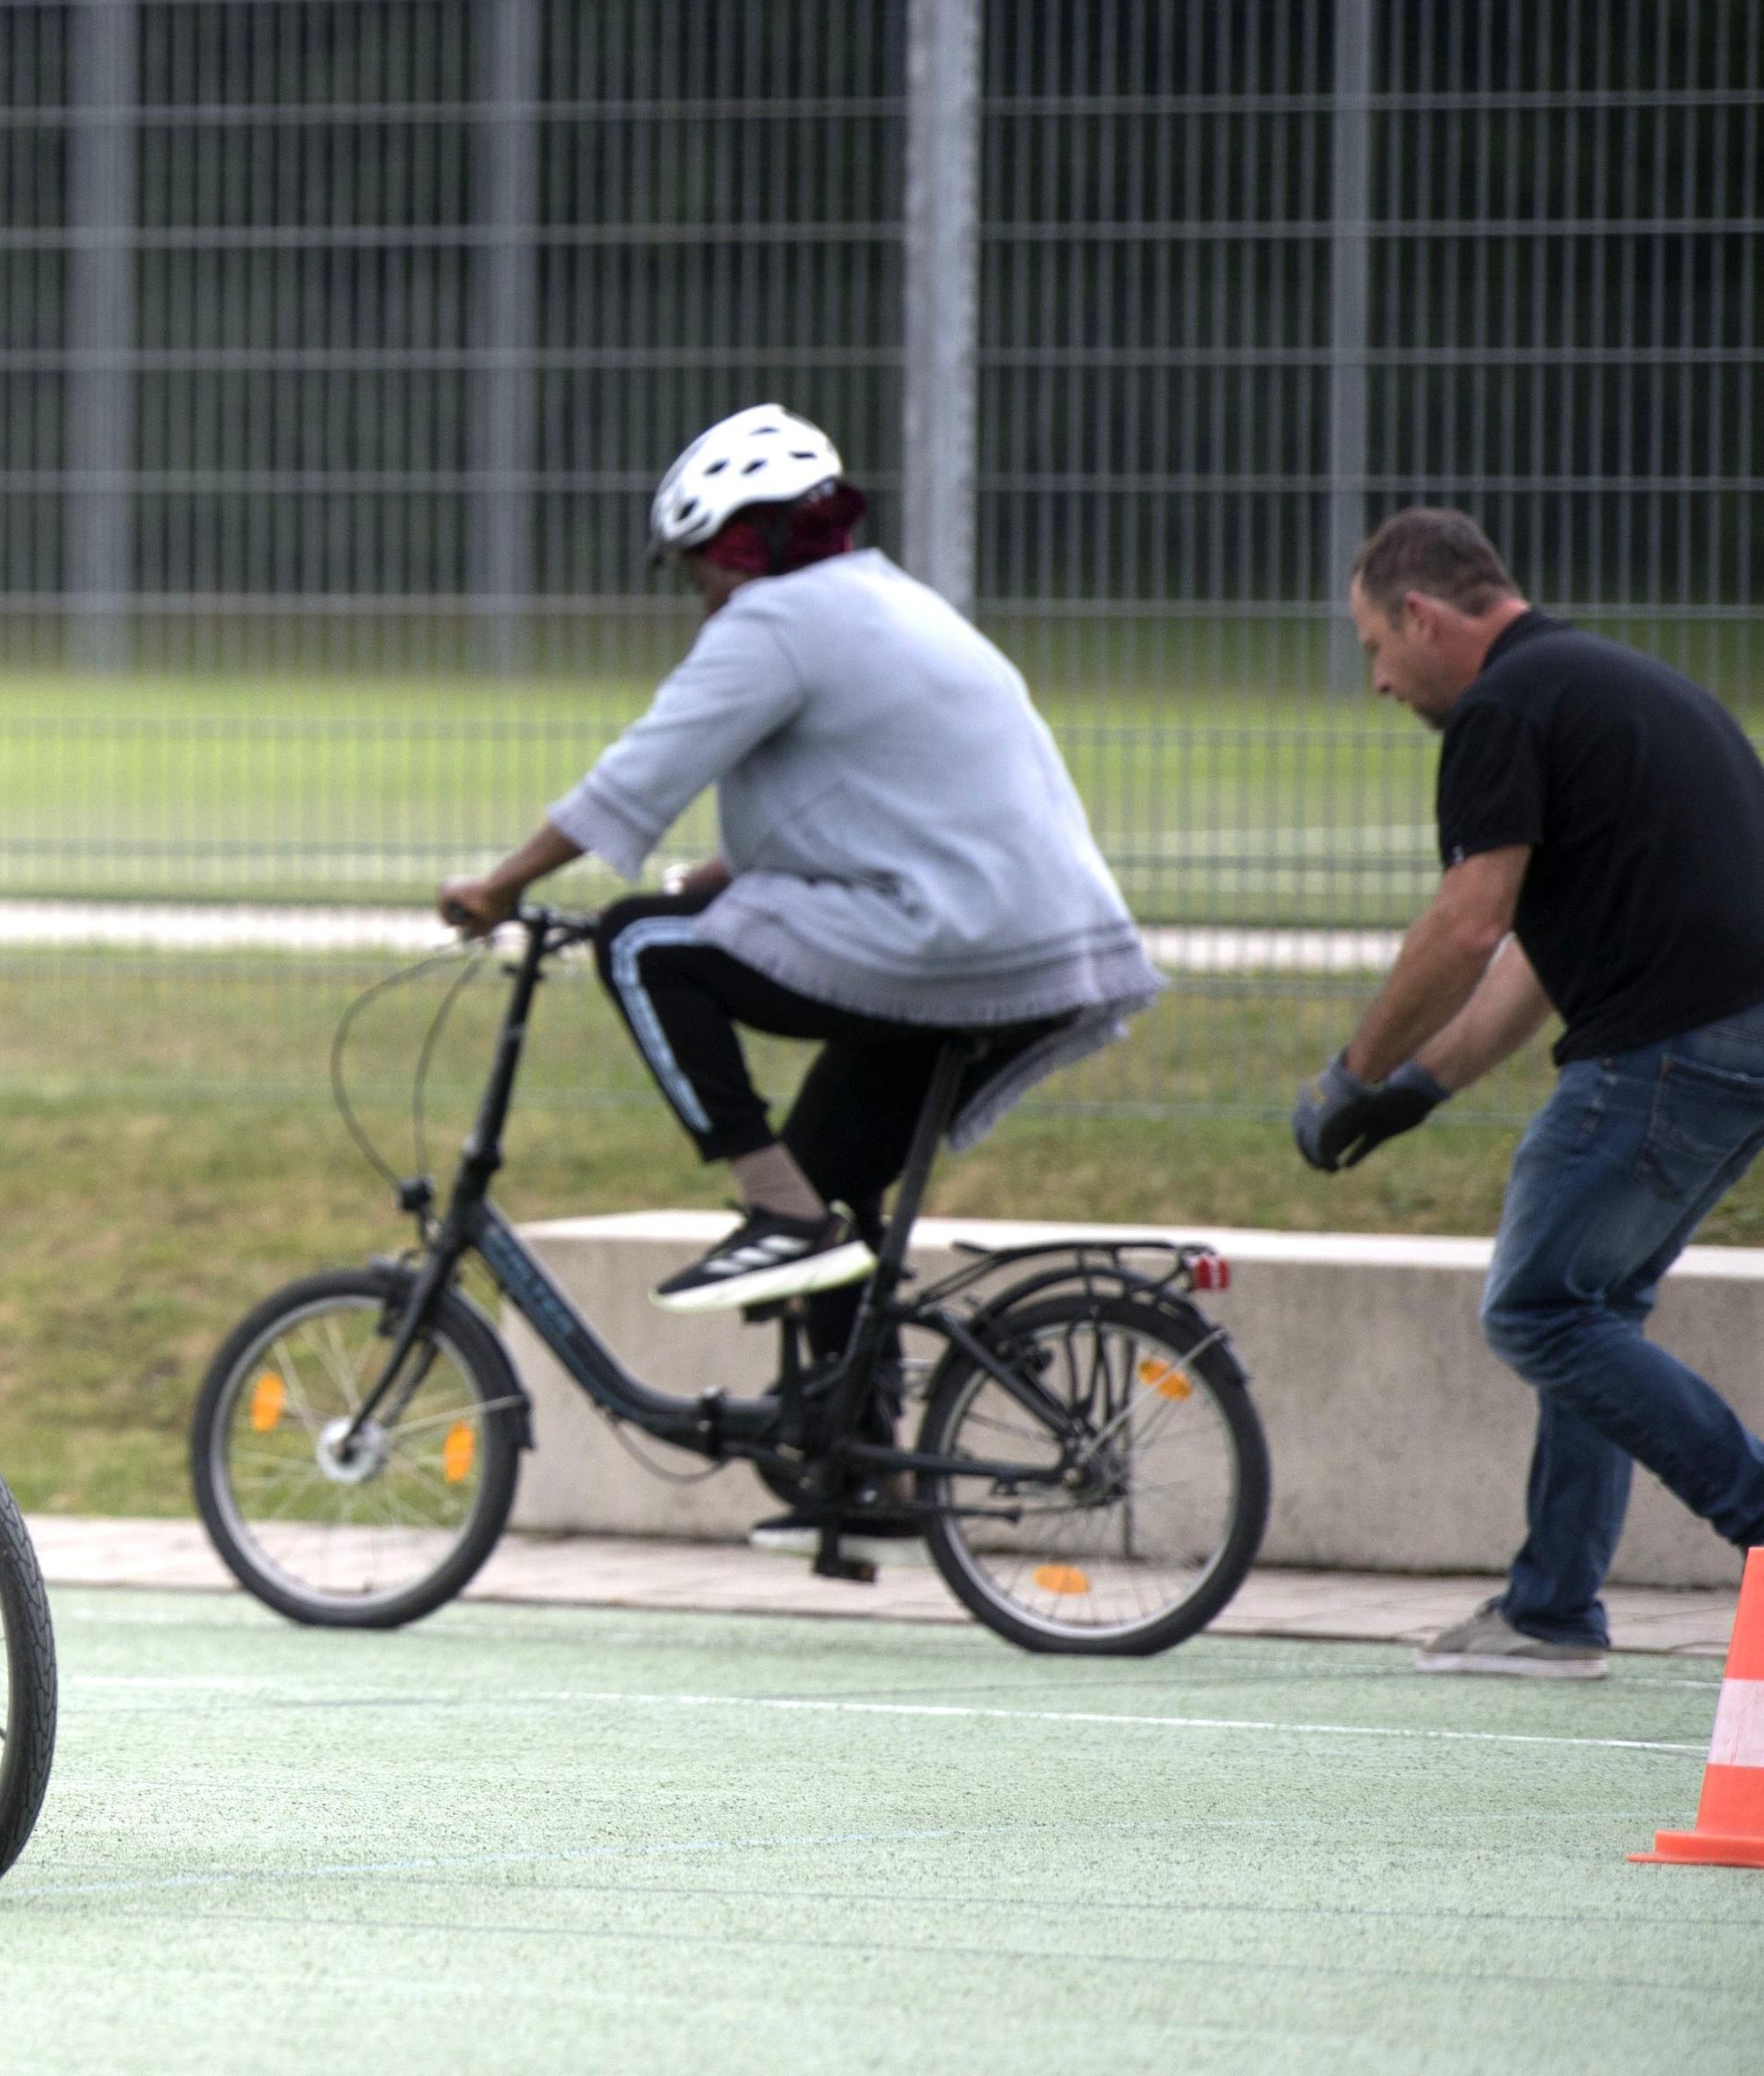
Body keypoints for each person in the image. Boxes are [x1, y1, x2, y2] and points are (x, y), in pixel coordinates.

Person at [440, 404, 1162, 1559]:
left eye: (699, 568)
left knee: (640, 946)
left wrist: (496, 887)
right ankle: (861, 1466)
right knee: (834, 1182)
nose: (700, 596)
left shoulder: (778, 621)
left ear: (745, 544)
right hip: (1026, 944)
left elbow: (635, 775)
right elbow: (883, 796)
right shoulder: (887, 601)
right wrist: (716, 878)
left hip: (953, 941)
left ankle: (773, 1214)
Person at [1295, 507, 1764, 1678]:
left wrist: (1350, 1073)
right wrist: (1414, 1090)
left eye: (1374, 646)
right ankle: (1551, 1612)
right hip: (1733, 1034)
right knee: (1588, 1312)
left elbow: (1468, 926)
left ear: (1420, 615)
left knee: (1538, 1312)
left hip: (1670, 1042)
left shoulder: (1502, 706)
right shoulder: (1602, 683)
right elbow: (1537, 962)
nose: (1377, 681)